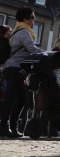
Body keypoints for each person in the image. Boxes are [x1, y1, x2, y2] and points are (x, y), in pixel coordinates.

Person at [0, 7, 43, 138]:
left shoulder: (17, 30)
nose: (34, 20)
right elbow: (32, 49)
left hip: (14, 68)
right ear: (25, 19)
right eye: (32, 17)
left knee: (22, 99)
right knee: (11, 99)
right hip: (15, 68)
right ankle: (4, 127)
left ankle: (12, 127)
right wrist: (47, 54)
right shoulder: (24, 32)